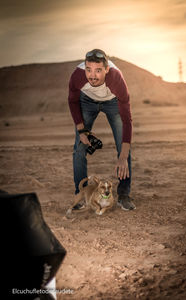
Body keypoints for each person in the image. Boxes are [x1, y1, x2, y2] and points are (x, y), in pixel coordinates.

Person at [68, 49, 136, 210]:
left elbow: (127, 120)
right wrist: (81, 130)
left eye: (98, 70)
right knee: (79, 147)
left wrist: (123, 156)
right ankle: (81, 194)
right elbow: (72, 102)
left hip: (112, 102)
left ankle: (124, 194)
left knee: (123, 149)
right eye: (89, 70)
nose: (92, 76)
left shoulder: (116, 79)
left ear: (106, 69)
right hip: (87, 101)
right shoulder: (77, 76)